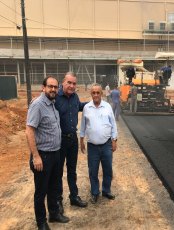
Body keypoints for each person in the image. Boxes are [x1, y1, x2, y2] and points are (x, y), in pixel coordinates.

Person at [26, 76, 69, 230]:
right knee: (41, 191)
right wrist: (36, 156)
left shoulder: (52, 104)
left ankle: (54, 214)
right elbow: (29, 130)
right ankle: (41, 222)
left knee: (54, 187)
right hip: (43, 156)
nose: (53, 89)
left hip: (55, 154)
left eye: (55, 87)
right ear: (43, 87)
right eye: (50, 86)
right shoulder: (37, 105)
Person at [55, 72, 88, 213]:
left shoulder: (75, 97)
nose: (72, 86)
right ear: (63, 82)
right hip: (59, 140)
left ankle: (74, 197)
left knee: (72, 170)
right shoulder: (55, 97)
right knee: (58, 172)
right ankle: (58, 200)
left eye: (74, 83)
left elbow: (80, 106)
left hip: (72, 139)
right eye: (69, 82)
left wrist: (95, 102)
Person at [80, 83, 118, 204]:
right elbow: (83, 126)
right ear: (91, 94)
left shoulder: (107, 107)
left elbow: (113, 125)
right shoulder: (86, 108)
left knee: (108, 170)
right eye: (93, 92)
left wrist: (114, 140)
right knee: (93, 171)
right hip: (92, 147)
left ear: (101, 93)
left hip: (106, 145)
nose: (96, 95)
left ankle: (106, 191)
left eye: (98, 92)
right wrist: (81, 140)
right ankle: (95, 192)